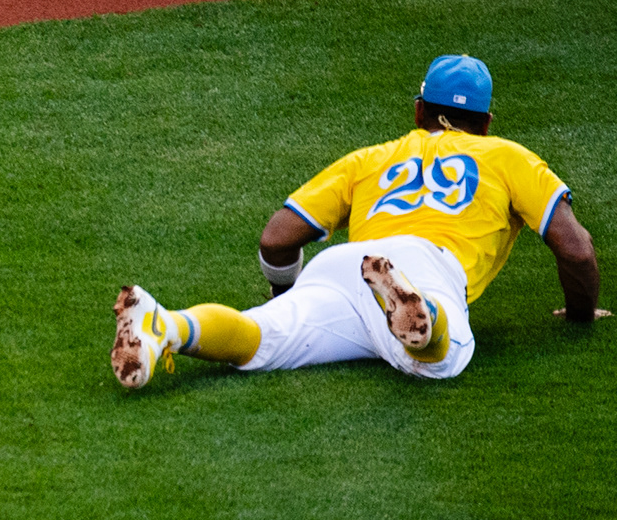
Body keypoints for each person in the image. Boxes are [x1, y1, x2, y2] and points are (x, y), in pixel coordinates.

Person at [113, 54, 604, 389]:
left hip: (344, 266)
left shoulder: (372, 158)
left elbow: (276, 238)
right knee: (442, 361)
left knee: (259, 339)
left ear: (418, 111)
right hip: (425, 266)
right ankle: (422, 313)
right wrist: (581, 314)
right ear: (487, 122)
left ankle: (169, 325)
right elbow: (576, 249)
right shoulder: (508, 156)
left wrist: (292, 295)